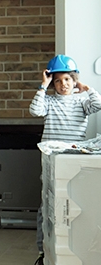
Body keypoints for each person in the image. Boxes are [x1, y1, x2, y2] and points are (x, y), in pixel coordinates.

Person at [28, 54, 101, 265]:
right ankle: (44, 251)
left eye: (67, 79)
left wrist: (88, 89)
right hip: (52, 158)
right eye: (58, 80)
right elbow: (35, 110)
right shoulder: (49, 101)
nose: (63, 84)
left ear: (74, 80)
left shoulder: (82, 101)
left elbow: (98, 105)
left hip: (74, 158)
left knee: (73, 204)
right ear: (52, 82)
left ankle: (71, 249)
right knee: (48, 203)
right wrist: (43, 86)